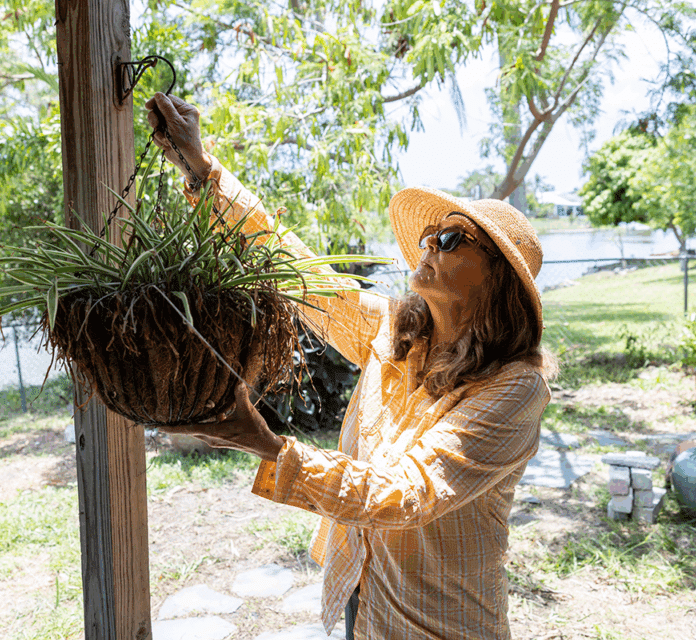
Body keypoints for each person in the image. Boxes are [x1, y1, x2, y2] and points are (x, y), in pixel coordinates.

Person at [146, 92, 558, 640]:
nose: (430, 243)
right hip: (361, 593)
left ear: (498, 278)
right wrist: (201, 168)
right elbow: (297, 271)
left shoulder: (515, 390)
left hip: (443, 624)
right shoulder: (393, 333)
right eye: (429, 236)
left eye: (453, 238)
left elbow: (405, 494)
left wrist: (267, 446)